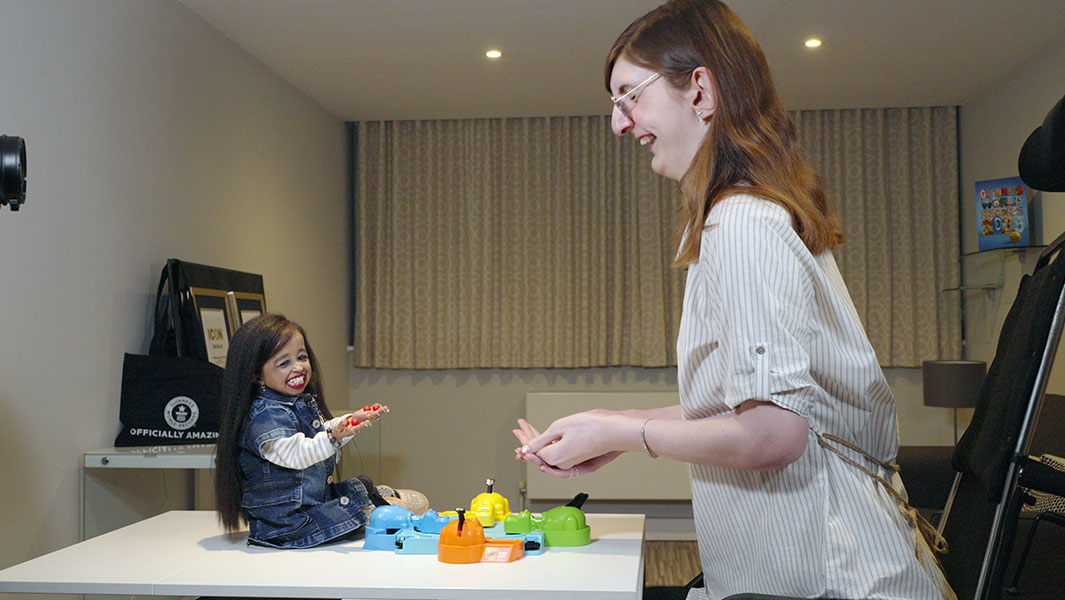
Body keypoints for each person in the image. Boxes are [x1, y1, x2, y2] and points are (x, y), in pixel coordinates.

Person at [514, 1, 955, 598]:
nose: (619, 124)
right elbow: (746, 407)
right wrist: (609, 424)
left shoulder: (742, 221)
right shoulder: (746, 215)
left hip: (836, 574)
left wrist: (622, 435)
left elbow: (772, 435)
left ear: (699, 90)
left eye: (628, 97)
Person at [215, 313, 389, 548]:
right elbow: (295, 453)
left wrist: (349, 423)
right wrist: (333, 437)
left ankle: (374, 501)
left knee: (362, 483)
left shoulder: (293, 403)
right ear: (257, 375)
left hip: (311, 502)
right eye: (284, 363)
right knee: (350, 517)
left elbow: (313, 437)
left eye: (302, 357)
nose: (298, 367)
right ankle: (377, 510)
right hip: (287, 524)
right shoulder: (264, 416)